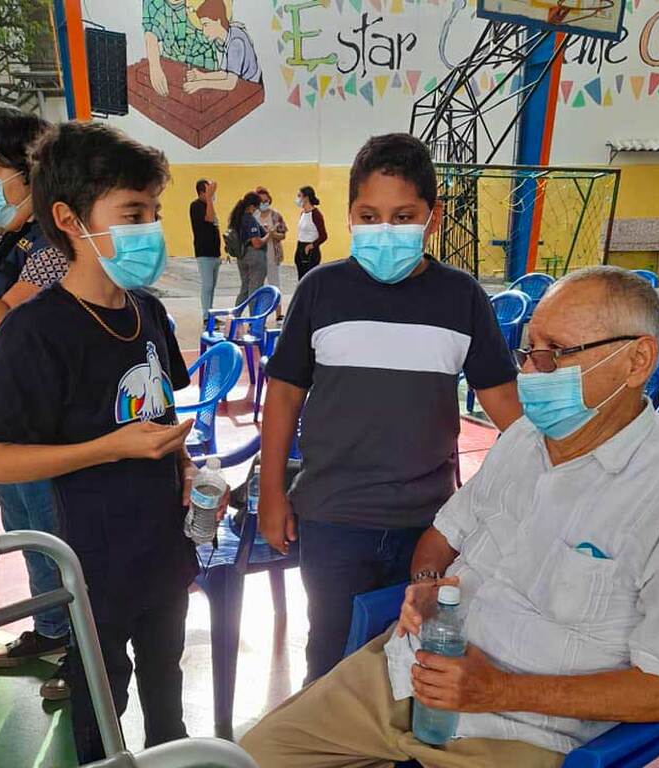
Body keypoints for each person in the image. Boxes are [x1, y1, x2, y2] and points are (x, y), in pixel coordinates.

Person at [242, 266, 659, 768]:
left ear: (637, 361)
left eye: (558, 354)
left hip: (521, 733)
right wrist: (426, 584)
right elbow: (440, 537)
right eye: (530, 350)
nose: (532, 372)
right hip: (402, 677)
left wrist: (499, 690)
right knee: (248, 759)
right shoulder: (524, 441)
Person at [0, 121, 228, 764]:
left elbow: (159, 419)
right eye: (133, 212)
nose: (150, 228)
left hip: (162, 548)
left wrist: (191, 471)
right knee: (101, 702)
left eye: (154, 211)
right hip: (91, 561)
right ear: (68, 218)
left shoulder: (147, 311)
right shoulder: (35, 330)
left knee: (167, 692)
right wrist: (107, 449)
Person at [259, 133, 522, 684]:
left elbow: (508, 409)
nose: (385, 230)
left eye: (403, 216)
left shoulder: (462, 297)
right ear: (349, 215)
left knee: (414, 656)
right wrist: (272, 493)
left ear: (434, 218)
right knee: (330, 657)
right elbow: (283, 393)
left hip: (426, 524)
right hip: (332, 516)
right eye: (369, 215)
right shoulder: (320, 290)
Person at [0, 107, 70, 687]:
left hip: (40, 423)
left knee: (55, 531)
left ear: (29, 170)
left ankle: (85, 648)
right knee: (22, 523)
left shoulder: (52, 243)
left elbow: (5, 328)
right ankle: (52, 628)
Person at [184, 5, 262, 93]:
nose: (204, 31)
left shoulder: (236, 42)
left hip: (252, 87)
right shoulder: (229, 35)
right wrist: (201, 76)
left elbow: (230, 83)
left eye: (206, 25)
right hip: (242, 82)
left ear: (218, 21)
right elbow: (225, 73)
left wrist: (200, 84)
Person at [229, 191, 269, 307]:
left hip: (242, 256)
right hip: (254, 256)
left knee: (245, 288)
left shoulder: (237, 217)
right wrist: (269, 235)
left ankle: (235, 318)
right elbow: (256, 243)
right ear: (252, 206)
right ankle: (254, 321)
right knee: (255, 290)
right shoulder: (249, 219)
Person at [189, 178, 221, 325]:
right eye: (209, 191)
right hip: (204, 252)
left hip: (214, 252)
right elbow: (209, 218)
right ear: (202, 192)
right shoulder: (196, 206)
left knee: (212, 286)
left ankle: (211, 313)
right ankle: (206, 316)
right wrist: (209, 199)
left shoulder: (209, 205)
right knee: (207, 285)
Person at [255, 186, 287, 322]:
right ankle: (258, 313)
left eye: (266, 200)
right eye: (261, 201)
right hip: (257, 256)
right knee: (258, 285)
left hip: (272, 255)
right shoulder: (254, 216)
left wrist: (273, 234)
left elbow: (283, 234)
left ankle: (278, 313)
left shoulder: (275, 215)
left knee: (275, 284)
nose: (264, 204)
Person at [294, 185, 326, 280]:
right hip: (300, 246)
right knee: (301, 278)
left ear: (306, 198)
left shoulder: (316, 214)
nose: (297, 199)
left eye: (299, 196)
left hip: (311, 249)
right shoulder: (303, 213)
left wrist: (311, 245)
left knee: (309, 279)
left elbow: (323, 235)